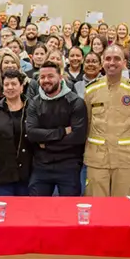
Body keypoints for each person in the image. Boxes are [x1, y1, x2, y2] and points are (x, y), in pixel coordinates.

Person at [83, 46, 130, 197]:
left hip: (124, 158)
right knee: (97, 206)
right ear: (102, 62)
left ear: (124, 62)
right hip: (97, 159)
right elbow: (87, 122)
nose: (112, 62)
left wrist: (129, 143)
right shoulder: (91, 91)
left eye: (117, 59)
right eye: (108, 58)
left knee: (123, 206)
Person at [26, 61, 87, 196]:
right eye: (42, 77)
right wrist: (62, 131)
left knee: (69, 211)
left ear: (60, 77)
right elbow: (31, 133)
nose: (46, 80)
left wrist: (45, 144)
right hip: (41, 166)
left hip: (68, 165)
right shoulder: (34, 103)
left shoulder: (76, 102)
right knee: (35, 209)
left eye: (50, 76)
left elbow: (77, 137)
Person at [0, 69, 31, 196]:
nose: (10, 88)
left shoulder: (32, 108)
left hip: (28, 173)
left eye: (14, 84)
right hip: (2, 173)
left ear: (21, 87)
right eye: (6, 84)